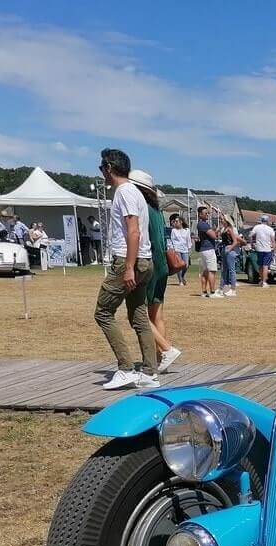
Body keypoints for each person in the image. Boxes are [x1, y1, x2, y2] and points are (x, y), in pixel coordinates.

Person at [92, 147, 157, 390]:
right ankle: (150, 371)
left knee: (103, 312)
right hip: (144, 261)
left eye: (101, 168)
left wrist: (128, 267)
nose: (101, 173)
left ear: (109, 168)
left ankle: (126, 368)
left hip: (129, 261)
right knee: (138, 314)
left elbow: (133, 231)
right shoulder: (136, 193)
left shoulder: (124, 192)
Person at [130, 170, 182, 373]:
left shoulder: (141, 209)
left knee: (139, 313)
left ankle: (165, 351)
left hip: (149, 261)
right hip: (161, 264)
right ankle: (161, 358)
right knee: (157, 313)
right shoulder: (158, 210)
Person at [195, 205, 220, 297]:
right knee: (212, 271)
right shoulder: (203, 224)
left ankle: (204, 291)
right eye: (205, 213)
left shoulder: (201, 224)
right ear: (200, 214)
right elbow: (213, 236)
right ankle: (212, 292)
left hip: (204, 250)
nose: (207, 215)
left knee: (205, 271)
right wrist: (216, 230)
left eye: (207, 213)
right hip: (208, 249)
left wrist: (214, 231)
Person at [249, 214, 276, 288]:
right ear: (267, 221)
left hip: (259, 249)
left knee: (260, 265)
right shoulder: (270, 229)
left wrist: (251, 244)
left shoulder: (256, 227)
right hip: (267, 249)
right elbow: (273, 241)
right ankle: (264, 282)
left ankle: (261, 280)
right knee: (266, 265)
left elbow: (250, 235)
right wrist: (274, 249)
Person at [218, 217, 243, 297]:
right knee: (223, 270)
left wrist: (230, 248)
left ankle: (233, 290)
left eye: (222, 219)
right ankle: (221, 288)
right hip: (224, 249)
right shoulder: (224, 229)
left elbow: (235, 241)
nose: (221, 220)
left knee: (232, 270)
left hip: (229, 250)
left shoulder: (229, 229)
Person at [168, 214, 191, 285]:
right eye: (174, 221)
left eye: (177, 221)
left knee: (186, 265)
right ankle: (180, 280)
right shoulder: (173, 230)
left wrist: (189, 248)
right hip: (177, 249)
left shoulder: (187, 230)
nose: (175, 222)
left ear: (181, 222)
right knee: (179, 265)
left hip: (185, 249)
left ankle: (182, 276)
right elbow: (172, 240)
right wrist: (172, 249)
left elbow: (188, 240)